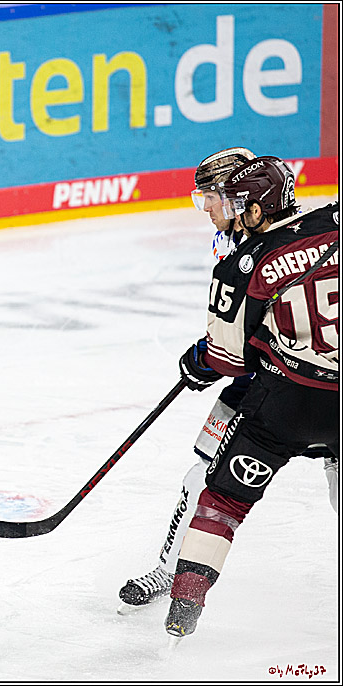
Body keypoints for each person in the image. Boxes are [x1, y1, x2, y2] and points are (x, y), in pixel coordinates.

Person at [118, 149, 339, 612]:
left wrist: (206, 359)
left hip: (273, 382)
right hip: (267, 374)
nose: (210, 212)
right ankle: (171, 568)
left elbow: (234, 337)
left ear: (243, 202)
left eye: (212, 200)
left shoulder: (258, 241)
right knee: (203, 468)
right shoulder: (243, 237)